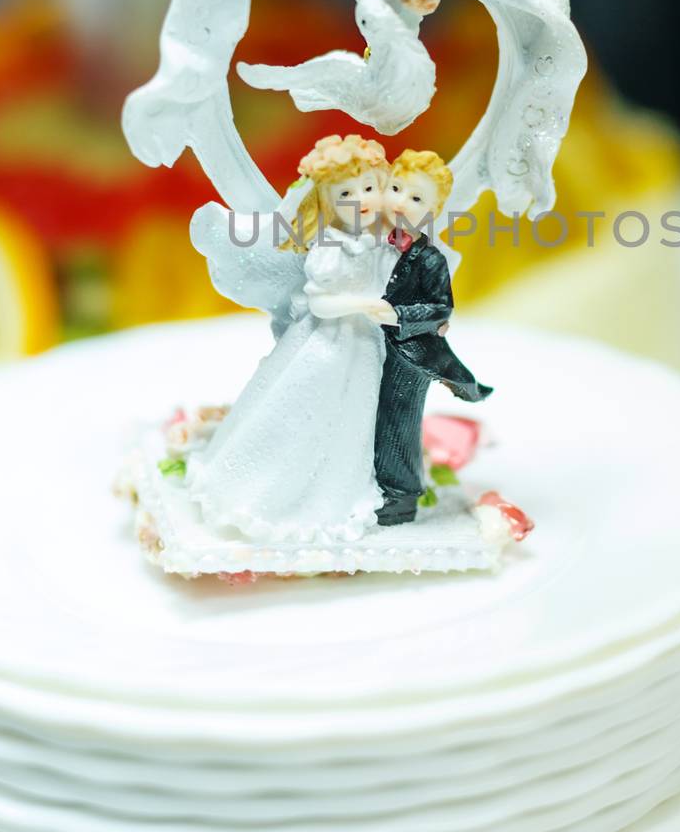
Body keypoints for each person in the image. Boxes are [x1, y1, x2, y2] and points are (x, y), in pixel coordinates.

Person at [187, 134, 398, 547]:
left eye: (370, 188)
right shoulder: (332, 245)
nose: (362, 200)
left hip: (364, 349)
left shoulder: (378, 241)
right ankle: (276, 494)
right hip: (328, 346)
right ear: (326, 201)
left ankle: (338, 490)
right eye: (346, 194)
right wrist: (362, 304)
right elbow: (320, 301)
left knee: (350, 424)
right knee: (301, 414)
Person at [374, 150, 491, 526]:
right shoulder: (373, 242)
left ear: (433, 209)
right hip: (370, 345)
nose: (402, 203)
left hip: (410, 351)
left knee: (397, 419)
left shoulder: (430, 260)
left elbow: (441, 309)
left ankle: (400, 497)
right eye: (396, 189)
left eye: (417, 198)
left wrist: (397, 315)